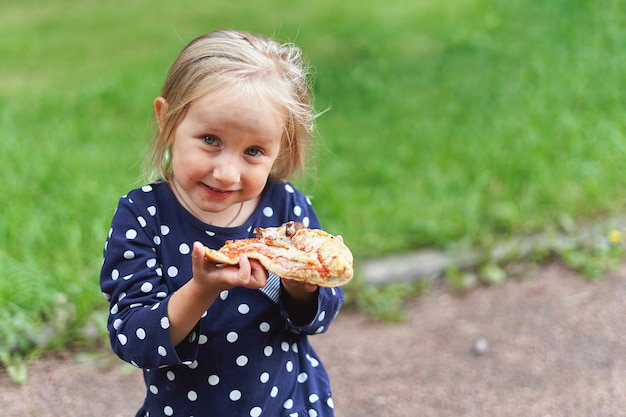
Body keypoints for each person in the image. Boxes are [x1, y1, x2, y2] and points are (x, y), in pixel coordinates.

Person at [100, 29, 344, 417]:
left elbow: (322, 315)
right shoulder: (144, 215)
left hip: (287, 405)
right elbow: (133, 339)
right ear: (168, 120)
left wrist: (302, 287)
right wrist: (201, 290)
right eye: (210, 139)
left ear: (281, 149)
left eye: (253, 151)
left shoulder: (286, 209)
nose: (227, 172)